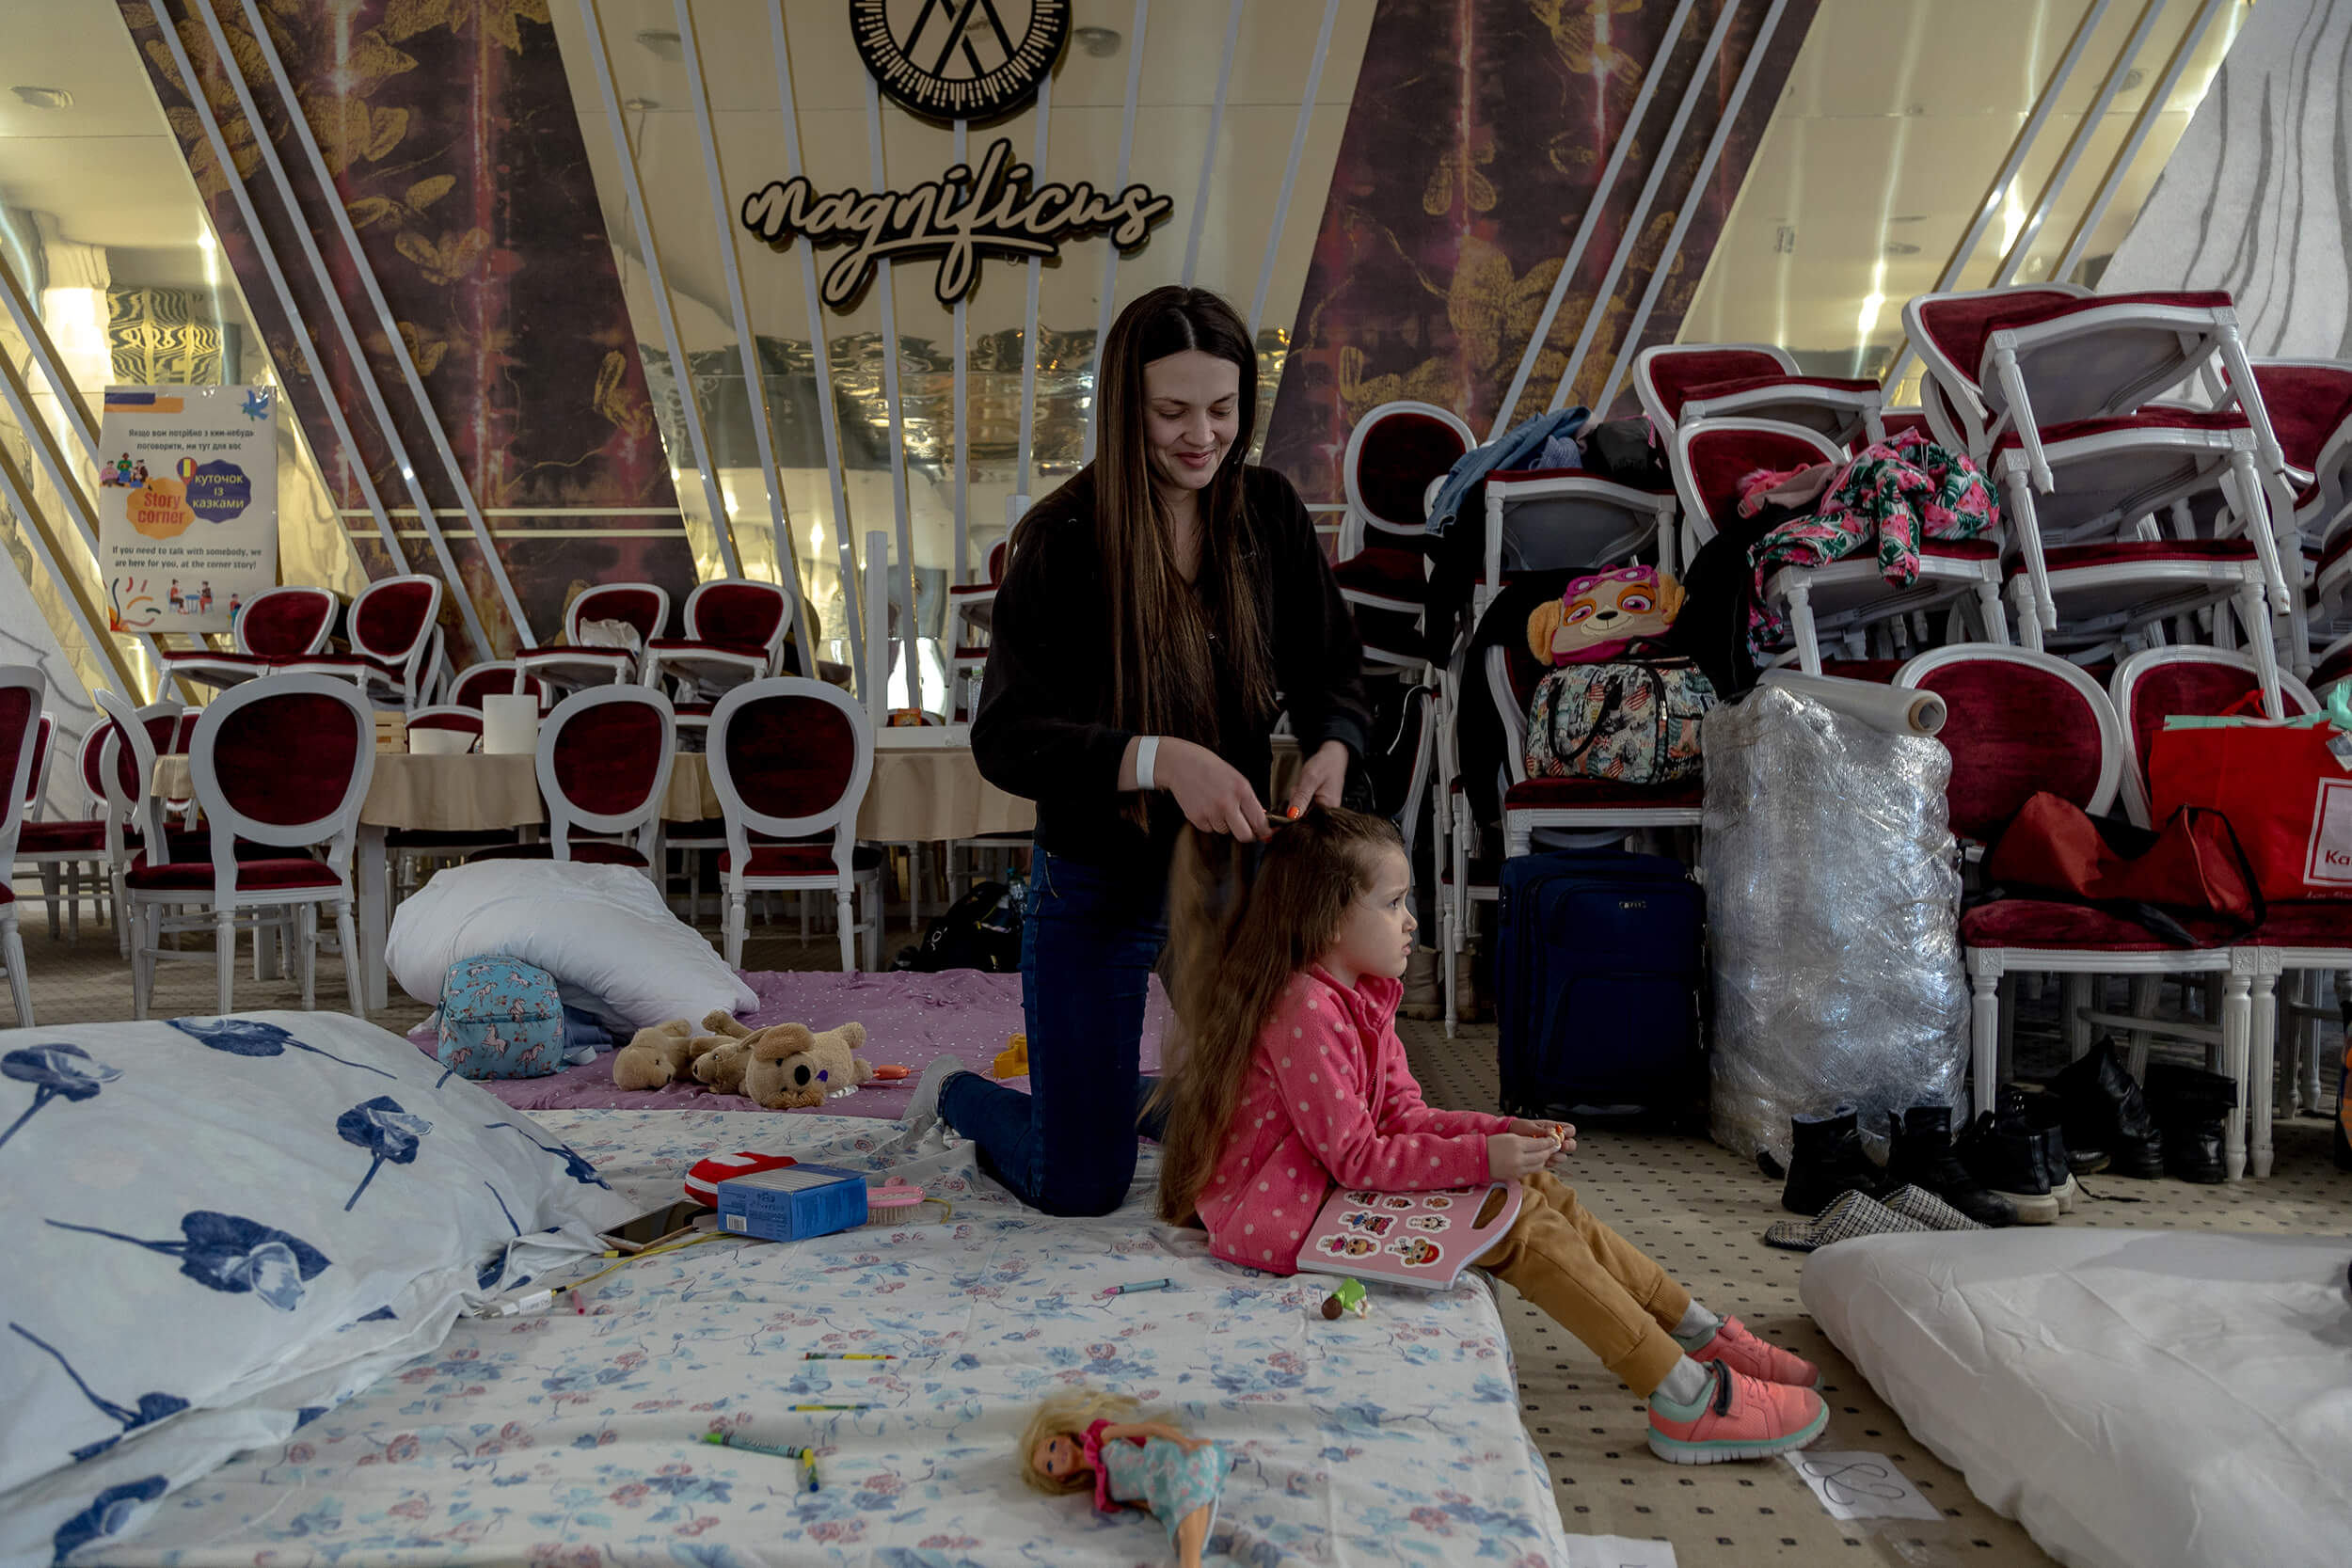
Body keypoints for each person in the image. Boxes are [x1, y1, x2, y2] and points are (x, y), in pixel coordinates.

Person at [1152, 807, 1830, 1465]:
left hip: (1324, 1186)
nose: (1411, 921)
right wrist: (1481, 1155)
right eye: (1392, 904)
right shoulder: (1305, 1005)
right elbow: (1357, 1155)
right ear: (1329, 919)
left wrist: (1504, 1133)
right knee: (1515, 1227)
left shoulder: (1363, 993)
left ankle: (1697, 1332)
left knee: (1535, 1187)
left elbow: (1405, 1116)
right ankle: (1683, 1396)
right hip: (1286, 1213)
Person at [899, 286, 1369, 1217]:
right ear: (1126, 407)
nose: (1202, 435)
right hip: (1096, 885)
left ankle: (1123, 1104)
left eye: (1223, 410)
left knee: (1291, 1129)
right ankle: (955, 1090)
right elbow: (1006, 737)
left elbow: (1334, 671)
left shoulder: (1267, 513)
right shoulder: (1065, 536)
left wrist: (1332, 744)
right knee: (1078, 1183)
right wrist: (1158, 758)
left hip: (1225, 880)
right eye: (1172, 412)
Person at [1019, 1387, 1225, 1568]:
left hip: (1168, 1464)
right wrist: (1163, 1510)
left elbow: (1151, 1428)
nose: (1057, 1456)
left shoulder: (1103, 1437)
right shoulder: (1103, 1491)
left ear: (1062, 1435)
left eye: (1052, 1446)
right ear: (1060, 1478)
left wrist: (1185, 1444)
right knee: (1188, 1534)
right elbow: (1139, 1501)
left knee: (1188, 1534)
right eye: (1050, 1465)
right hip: (1167, 1491)